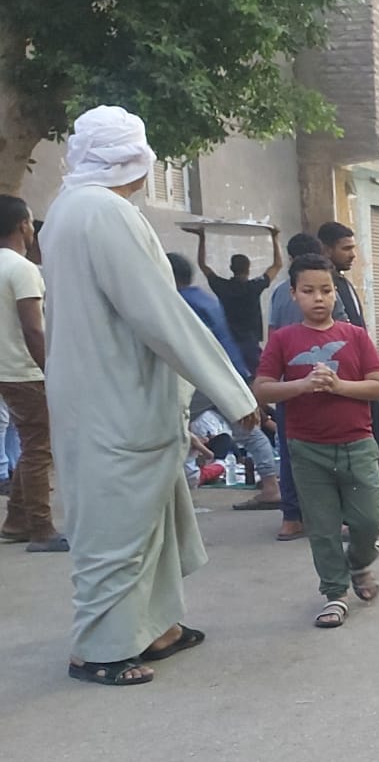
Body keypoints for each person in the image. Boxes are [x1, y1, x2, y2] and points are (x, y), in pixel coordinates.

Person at [41, 106, 259, 686]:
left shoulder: (66, 210)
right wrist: (233, 392)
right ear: (133, 159)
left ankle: (156, 629)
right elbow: (162, 315)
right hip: (115, 398)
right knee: (116, 527)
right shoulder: (106, 213)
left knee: (155, 515)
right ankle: (99, 650)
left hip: (109, 393)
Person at [255, 254, 379, 627]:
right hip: (306, 448)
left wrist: (338, 385)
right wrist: (301, 385)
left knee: (369, 519)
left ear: (336, 294)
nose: (319, 298)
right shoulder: (283, 340)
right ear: (293, 295)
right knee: (323, 526)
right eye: (309, 291)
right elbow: (262, 389)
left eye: (326, 290)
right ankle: (335, 594)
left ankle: (359, 563)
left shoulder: (355, 337)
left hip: (357, 444)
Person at [168, 252, 283, 512]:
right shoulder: (205, 298)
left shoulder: (177, 302)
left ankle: (178, 495)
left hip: (201, 378)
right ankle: (270, 485)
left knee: (171, 428)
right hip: (232, 370)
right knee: (250, 430)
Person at [319, 221, 379, 505]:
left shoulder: (344, 284)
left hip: (360, 374)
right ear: (327, 249)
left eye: (353, 247)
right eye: (346, 248)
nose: (353, 254)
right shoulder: (327, 288)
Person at [0, 196, 65, 551]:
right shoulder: (23, 269)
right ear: (23, 225)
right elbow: (33, 329)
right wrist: (50, 370)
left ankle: (16, 521)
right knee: (39, 448)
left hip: (7, 369)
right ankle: (41, 528)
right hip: (25, 370)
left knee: (31, 445)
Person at [263, 232, 329, 541]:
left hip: (291, 385)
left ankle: (292, 517)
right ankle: (330, 516)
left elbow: (271, 335)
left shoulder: (279, 294)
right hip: (324, 384)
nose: (318, 296)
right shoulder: (329, 294)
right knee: (332, 449)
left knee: (290, 451)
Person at [198, 226, 282, 374]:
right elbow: (277, 265)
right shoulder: (254, 287)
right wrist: (274, 237)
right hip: (250, 340)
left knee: (230, 374)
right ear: (248, 268)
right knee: (256, 374)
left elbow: (203, 265)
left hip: (228, 338)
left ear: (231, 267)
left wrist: (202, 237)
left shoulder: (222, 286)